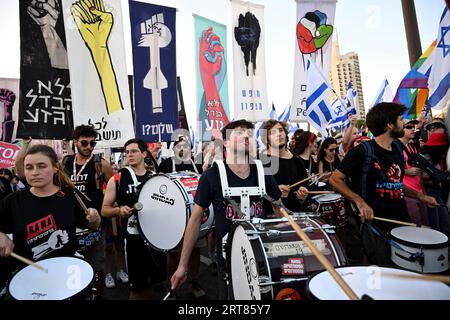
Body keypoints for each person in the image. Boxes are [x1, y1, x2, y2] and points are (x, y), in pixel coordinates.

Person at [170, 120, 282, 299]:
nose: (246, 136)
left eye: (250, 133)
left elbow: (280, 213)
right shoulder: (210, 177)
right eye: (239, 132)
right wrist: (182, 265)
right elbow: (195, 220)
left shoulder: (263, 172)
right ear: (226, 142)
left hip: (263, 256)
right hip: (228, 260)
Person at [329, 102, 437, 265]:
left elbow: (396, 184)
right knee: (382, 274)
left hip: (402, 221)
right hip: (376, 227)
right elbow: (335, 179)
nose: (403, 123)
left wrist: (420, 196)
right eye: (400, 119)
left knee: (407, 269)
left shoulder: (398, 150)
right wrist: (360, 202)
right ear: (389, 124)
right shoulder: (363, 151)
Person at [0, 145, 100, 262]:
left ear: (55, 168)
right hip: (27, 273)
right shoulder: (13, 201)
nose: (35, 172)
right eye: (29, 167)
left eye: (42, 166)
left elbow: (93, 226)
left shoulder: (70, 195)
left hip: (67, 267)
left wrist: (95, 218)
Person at [102, 138, 166, 300]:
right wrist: (118, 210)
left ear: (144, 154)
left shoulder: (155, 177)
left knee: (153, 283)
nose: (129, 154)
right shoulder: (117, 178)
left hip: (155, 238)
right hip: (133, 240)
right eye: (127, 152)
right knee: (137, 288)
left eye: (134, 151)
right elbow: (104, 210)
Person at [60, 125, 113, 299]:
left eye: (92, 143)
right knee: (73, 268)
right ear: (75, 142)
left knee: (95, 267)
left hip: (94, 226)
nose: (89, 147)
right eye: (84, 143)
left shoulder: (100, 164)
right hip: (71, 225)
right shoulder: (65, 162)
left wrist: (107, 209)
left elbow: (114, 188)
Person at [157, 135, 206, 299]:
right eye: (179, 146)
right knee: (172, 252)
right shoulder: (165, 164)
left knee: (195, 249)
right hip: (173, 216)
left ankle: (194, 281)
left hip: (194, 214)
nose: (182, 148)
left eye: (186, 145)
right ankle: (172, 288)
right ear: (174, 148)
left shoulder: (195, 164)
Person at [259, 119, 309, 212]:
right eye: (272, 133)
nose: (279, 134)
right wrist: (274, 192)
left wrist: (302, 196)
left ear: (286, 134)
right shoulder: (259, 161)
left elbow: (305, 190)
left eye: (281, 130)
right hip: (269, 219)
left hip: (295, 216)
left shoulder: (297, 162)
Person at [398, 119, 429, 226]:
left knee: (426, 227)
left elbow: (418, 171)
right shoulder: (394, 148)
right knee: (416, 230)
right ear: (400, 128)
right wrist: (406, 171)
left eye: (413, 127)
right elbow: (389, 170)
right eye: (409, 127)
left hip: (420, 193)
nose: (413, 129)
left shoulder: (412, 147)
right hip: (408, 195)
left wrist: (423, 192)